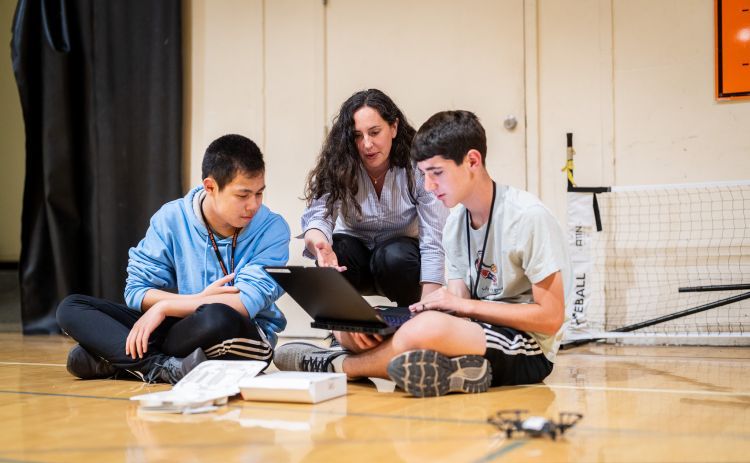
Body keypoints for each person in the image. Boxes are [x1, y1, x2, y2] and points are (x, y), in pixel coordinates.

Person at [275, 110, 571, 397]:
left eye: (436, 173)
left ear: (472, 161)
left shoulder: (528, 216)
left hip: (525, 345)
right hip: (476, 331)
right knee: (354, 330)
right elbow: (460, 303)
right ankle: (454, 369)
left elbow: (550, 318)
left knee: (424, 329)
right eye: (425, 175)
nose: (429, 186)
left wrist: (456, 310)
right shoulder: (456, 222)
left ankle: (338, 365)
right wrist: (386, 322)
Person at [56, 134, 291, 384]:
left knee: (216, 315)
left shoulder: (273, 229)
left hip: (239, 334)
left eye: (259, 194)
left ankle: (119, 358)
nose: (253, 205)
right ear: (210, 187)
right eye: (243, 196)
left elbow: (243, 303)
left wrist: (166, 306)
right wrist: (194, 301)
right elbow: (137, 291)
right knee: (71, 308)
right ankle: (160, 366)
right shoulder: (171, 217)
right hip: (182, 328)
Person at [300, 89, 449, 351]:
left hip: (399, 265)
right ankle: (341, 335)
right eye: (357, 136)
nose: (366, 144)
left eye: (374, 132)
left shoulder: (417, 165)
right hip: (355, 262)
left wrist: (429, 311)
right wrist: (320, 245)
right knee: (338, 246)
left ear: (393, 127)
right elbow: (317, 217)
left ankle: (409, 328)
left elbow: (434, 240)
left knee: (395, 254)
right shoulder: (340, 163)